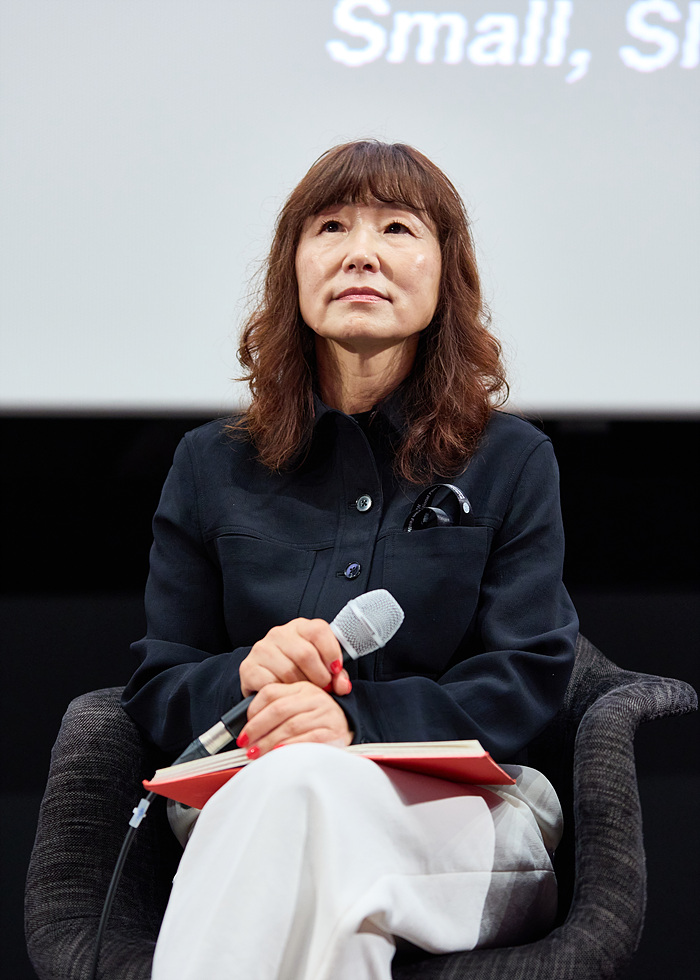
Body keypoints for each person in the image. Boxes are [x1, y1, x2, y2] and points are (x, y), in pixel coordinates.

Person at [121, 139, 579, 980]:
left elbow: (528, 677)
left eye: (397, 227)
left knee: (302, 794)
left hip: (466, 816)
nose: (361, 252)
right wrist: (248, 676)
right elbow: (159, 683)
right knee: (311, 837)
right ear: (292, 268)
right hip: (251, 796)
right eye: (331, 227)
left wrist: (352, 724)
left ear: (446, 275)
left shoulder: (511, 461)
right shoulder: (209, 465)